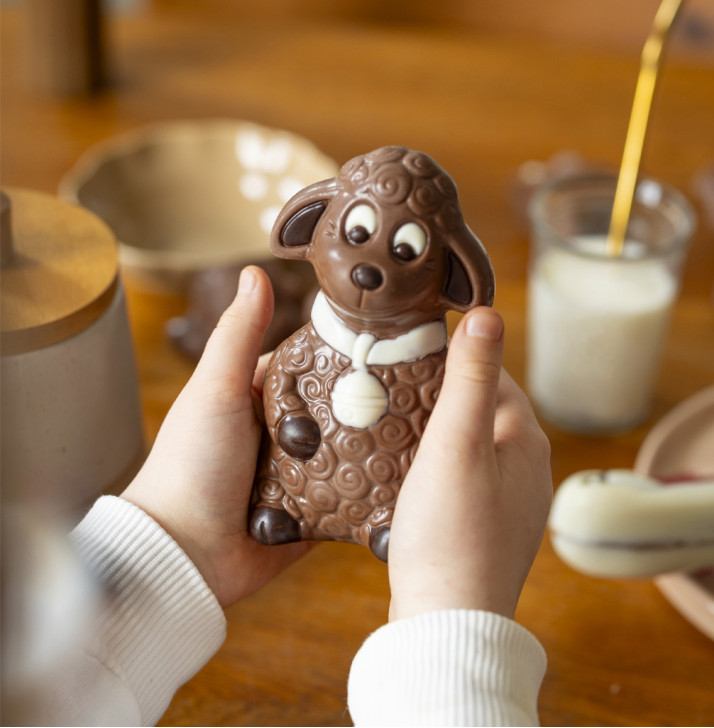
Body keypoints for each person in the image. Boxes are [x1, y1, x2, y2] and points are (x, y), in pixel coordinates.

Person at [7, 265, 552, 725]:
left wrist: (178, 535)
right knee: (282, 493)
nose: (370, 271)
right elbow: (287, 377)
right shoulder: (307, 346)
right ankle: (282, 508)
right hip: (290, 487)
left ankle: (383, 521)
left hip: (380, 496)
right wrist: (453, 611)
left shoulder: (427, 365)